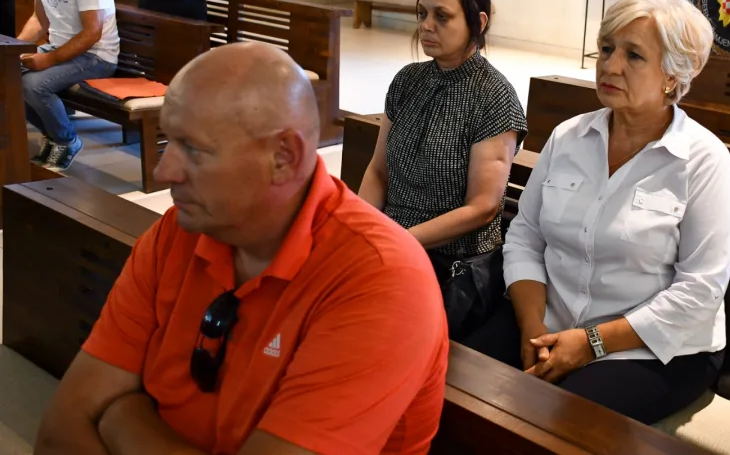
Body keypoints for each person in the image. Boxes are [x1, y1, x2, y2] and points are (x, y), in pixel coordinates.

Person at [33, 42, 449, 455]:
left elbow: (91, 415)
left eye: (193, 149)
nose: (165, 171)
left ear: (283, 157)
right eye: (168, 141)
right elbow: (60, 432)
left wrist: (122, 419)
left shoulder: (381, 282)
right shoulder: (177, 234)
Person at [464, 0, 730, 425]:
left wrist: (590, 343)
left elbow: (700, 292)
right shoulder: (568, 137)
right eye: (607, 48)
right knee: (453, 385)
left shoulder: (704, 161)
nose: (610, 66)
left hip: (652, 348)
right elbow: (525, 237)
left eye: (634, 56)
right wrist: (532, 325)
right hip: (550, 320)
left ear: (672, 75)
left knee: (551, 421)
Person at [357, 0, 527, 340]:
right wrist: (362, 231)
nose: (426, 25)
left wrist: (400, 242)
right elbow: (378, 172)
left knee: (377, 328)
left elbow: (482, 207)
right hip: (393, 245)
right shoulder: (407, 80)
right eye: (422, 14)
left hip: (454, 265)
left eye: (442, 16)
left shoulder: (494, 98)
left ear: (478, 23)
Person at [14, 0, 118, 171]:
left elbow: (92, 33)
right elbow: (39, 19)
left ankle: (66, 140)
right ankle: (53, 135)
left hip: (96, 55)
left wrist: (48, 59)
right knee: (7, 75)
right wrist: (13, 50)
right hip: (61, 48)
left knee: (34, 85)